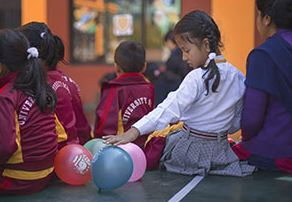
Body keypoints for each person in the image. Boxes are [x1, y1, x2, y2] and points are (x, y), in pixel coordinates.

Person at [104, 11, 255, 177]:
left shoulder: (197, 77)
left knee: (156, 142)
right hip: (220, 152)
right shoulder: (238, 76)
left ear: (205, 44)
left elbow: (168, 109)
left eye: (186, 50)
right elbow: (236, 123)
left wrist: (134, 131)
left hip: (189, 153)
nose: (183, 57)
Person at [0, 29, 58, 195]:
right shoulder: (40, 88)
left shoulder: (3, 97)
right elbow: (58, 135)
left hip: (17, 180)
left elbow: (3, 149)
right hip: (45, 175)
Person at [232, 0, 292, 173]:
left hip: (273, 153)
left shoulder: (264, 55)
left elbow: (252, 118)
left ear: (267, 18)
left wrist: (246, 137)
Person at [16, 22, 92, 147]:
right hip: (77, 153)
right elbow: (82, 127)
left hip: (57, 158)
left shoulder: (38, 86)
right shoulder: (66, 79)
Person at [94, 41, 155, 148]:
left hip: (119, 148)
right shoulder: (149, 87)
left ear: (116, 67)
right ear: (144, 67)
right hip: (145, 147)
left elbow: (104, 122)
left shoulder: (114, 89)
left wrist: (99, 143)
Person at [149, 29, 191, 106]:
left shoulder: (177, 54)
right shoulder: (180, 53)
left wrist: (163, 72)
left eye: (166, 43)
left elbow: (175, 73)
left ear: (170, 41)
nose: (166, 45)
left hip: (174, 85)